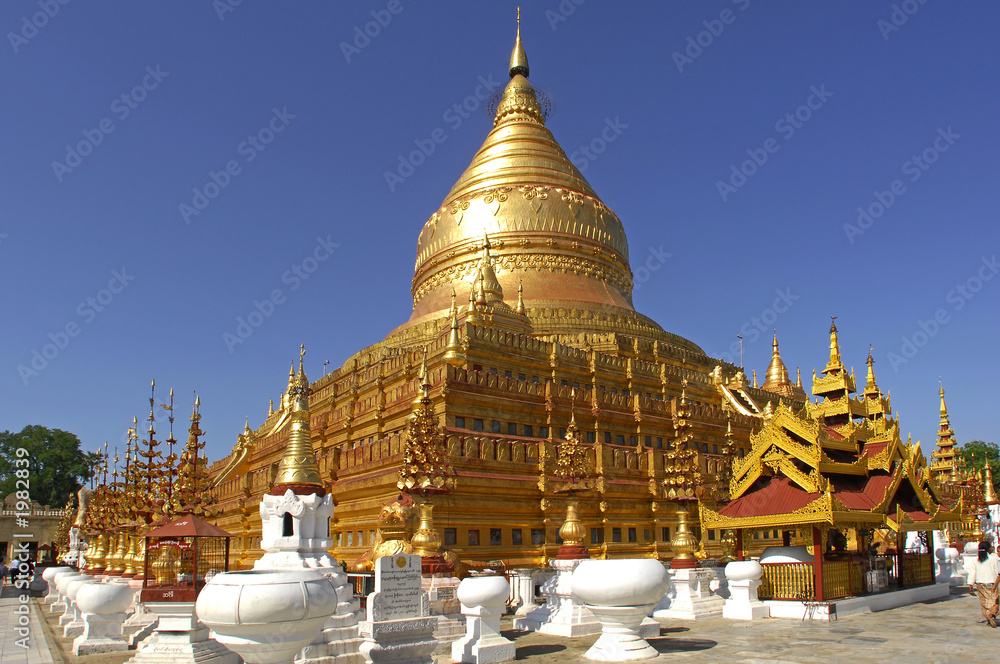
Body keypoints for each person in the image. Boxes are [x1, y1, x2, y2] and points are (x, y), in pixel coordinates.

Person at [968, 539, 1000, 627]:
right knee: (994, 603)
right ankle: (990, 616)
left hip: (980, 585)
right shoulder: (994, 558)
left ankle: (989, 618)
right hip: (992, 584)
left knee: (984, 603)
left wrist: (970, 584)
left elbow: (972, 573)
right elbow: (997, 572)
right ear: (988, 549)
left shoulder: (975, 560)